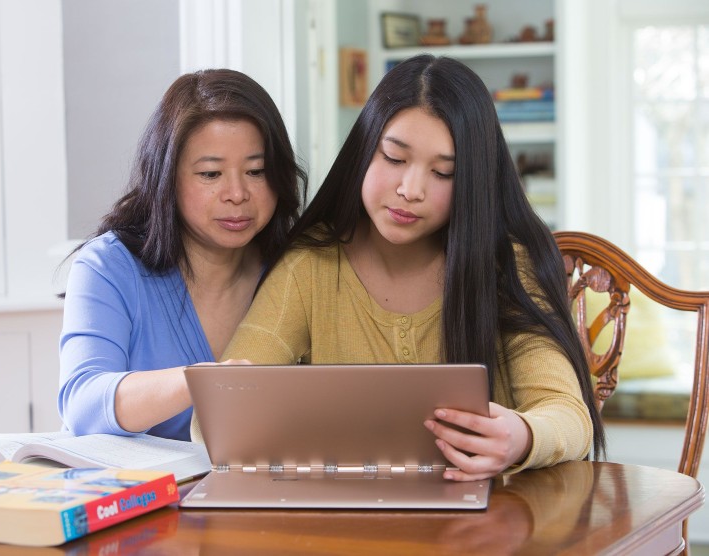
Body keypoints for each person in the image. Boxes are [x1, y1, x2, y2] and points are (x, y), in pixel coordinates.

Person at [191, 54, 605, 479]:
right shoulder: (309, 268)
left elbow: (570, 418)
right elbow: (216, 422)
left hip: (490, 527)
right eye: (393, 158)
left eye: (443, 173)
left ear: (472, 183)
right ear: (364, 152)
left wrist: (520, 435)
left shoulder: (505, 266)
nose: (411, 190)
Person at [58, 69, 307, 441]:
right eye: (210, 174)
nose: (237, 194)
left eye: (256, 171)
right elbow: (83, 404)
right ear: (166, 177)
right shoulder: (107, 267)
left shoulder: (296, 270)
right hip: (135, 495)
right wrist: (200, 381)